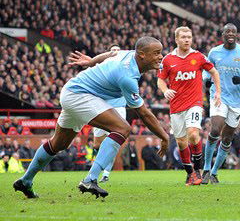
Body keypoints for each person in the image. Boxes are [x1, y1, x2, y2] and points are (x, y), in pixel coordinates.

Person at [13, 37, 170, 199]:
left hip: (72, 91)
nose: (160, 56)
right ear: (142, 54)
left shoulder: (128, 54)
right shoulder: (127, 76)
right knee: (122, 128)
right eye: (156, 53)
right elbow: (143, 113)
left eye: (161, 53)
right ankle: (91, 179)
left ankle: (25, 180)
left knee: (59, 143)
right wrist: (164, 136)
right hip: (80, 95)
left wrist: (91, 62)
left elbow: (111, 53)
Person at [157, 26, 221, 186]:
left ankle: (198, 170)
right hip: (176, 106)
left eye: (189, 37)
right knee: (181, 142)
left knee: (193, 134)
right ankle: (190, 173)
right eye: (183, 37)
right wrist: (165, 90)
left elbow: (214, 72)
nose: (187, 40)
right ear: (176, 39)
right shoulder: (168, 60)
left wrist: (217, 92)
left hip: (195, 103)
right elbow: (160, 80)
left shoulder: (198, 56)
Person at [202, 23, 240, 184]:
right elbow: (206, 70)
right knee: (215, 129)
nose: (230, 34)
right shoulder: (214, 52)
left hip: (237, 101)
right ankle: (206, 169)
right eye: (227, 32)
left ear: (236, 35)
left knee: (227, 139)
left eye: (233, 32)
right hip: (219, 96)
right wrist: (206, 80)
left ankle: (214, 173)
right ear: (223, 35)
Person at [67, 44, 127, 182]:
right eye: (113, 50)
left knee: (113, 140)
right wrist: (91, 63)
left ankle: (105, 173)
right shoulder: (101, 69)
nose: (115, 53)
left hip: (118, 108)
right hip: (101, 108)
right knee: (97, 145)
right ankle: (98, 168)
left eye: (118, 51)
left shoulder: (125, 68)